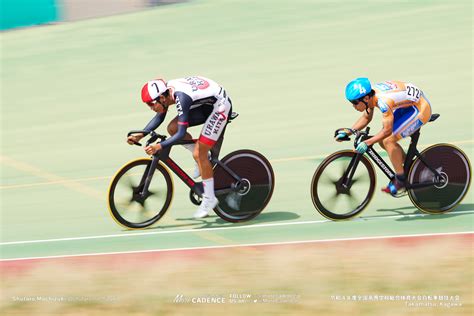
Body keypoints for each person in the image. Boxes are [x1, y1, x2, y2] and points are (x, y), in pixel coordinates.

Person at [127, 76, 232, 218]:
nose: (150, 108)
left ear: (162, 99)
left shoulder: (181, 98)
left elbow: (182, 133)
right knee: (172, 128)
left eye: (151, 104)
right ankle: (204, 158)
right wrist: (140, 135)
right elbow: (160, 117)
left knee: (198, 153)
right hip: (206, 104)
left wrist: (160, 146)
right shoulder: (165, 94)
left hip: (219, 107)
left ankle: (209, 198)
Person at [337, 78, 432, 196]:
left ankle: (401, 180)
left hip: (421, 108)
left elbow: (387, 131)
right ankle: (411, 166)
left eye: (355, 102)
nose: (353, 106)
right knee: (382, 141)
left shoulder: (383, 102)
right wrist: (349, 131)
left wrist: (367, 143)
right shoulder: (370, 97)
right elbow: (366, 118)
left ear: (366, 98)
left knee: (388, 140)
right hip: (408, 105)